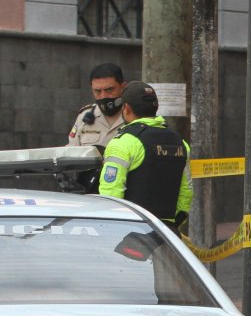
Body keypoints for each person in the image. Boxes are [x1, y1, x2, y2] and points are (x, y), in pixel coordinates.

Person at [98, 81, 192, 231]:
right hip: (167, 234)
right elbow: (186, 192)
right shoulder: (180, 143)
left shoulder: (123, 143)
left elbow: (111, 193)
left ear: (126, 108)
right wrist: (172, 225)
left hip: (131, 232)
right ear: (156, 108)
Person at [67, 62, 128, 152]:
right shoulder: (84, 117)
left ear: (123, 87)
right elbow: (71, 152)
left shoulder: (134, 115)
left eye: (109, 90)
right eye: (97, 91)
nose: (103, 96)